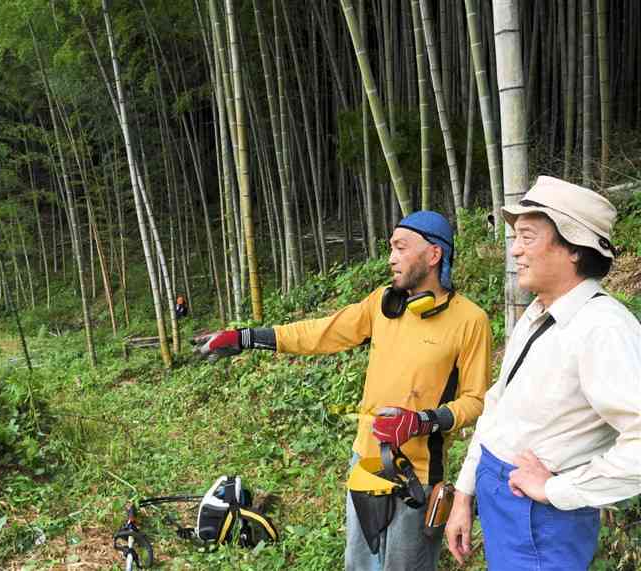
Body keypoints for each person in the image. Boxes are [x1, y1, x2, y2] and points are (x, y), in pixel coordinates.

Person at [195, 211, 492, 571]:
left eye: (401, 247)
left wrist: (424, 421)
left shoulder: (470, 320)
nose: (391, 257)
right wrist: (246, 337)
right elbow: (319, 333)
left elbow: (476, 400)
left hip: (420, 476)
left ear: (434, 254)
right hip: (365, 462)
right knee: (358, 565)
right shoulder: (382, 305)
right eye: (390, 248)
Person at [446, 176, 641, 571]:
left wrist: (558, 489)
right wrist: (465, 492)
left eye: (528, 237)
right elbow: (498, 404)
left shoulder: (603, 327)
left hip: (540, 518)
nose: (514, 250)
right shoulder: (538, 314)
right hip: (503, 497)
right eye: (515, 237)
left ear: (573, 247)